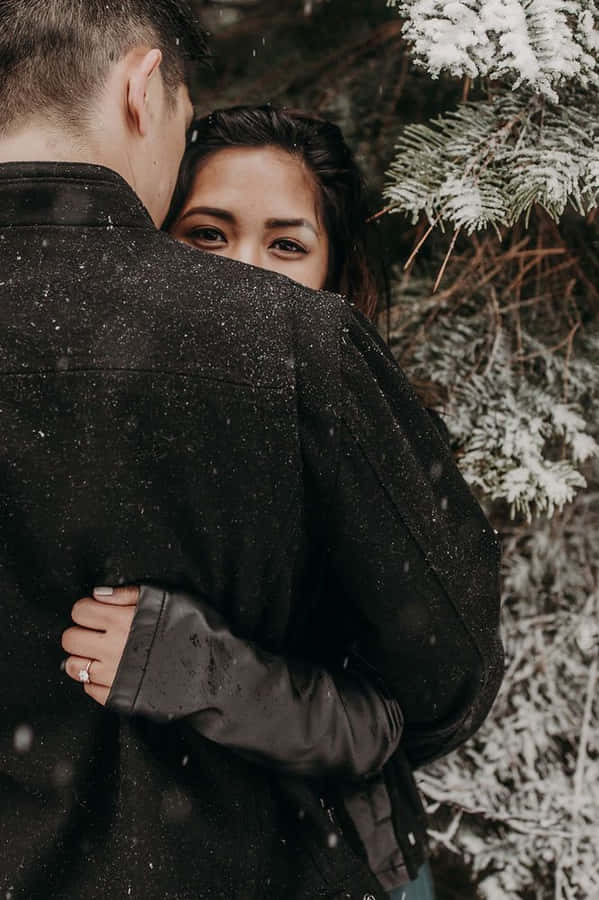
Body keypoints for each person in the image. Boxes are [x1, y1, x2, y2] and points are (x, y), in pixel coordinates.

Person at [0, 2, 503, 897]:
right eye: (206, 234)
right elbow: (443, 679)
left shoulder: (319, 370)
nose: (242, 274)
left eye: (285, 244)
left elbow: (416, 692)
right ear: (143, 89)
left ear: (335, 267)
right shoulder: (274, 354)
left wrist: (218, 676)